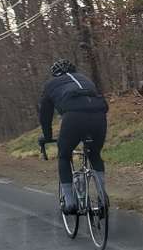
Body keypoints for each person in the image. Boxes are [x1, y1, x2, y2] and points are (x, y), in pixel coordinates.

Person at [37, 59, 108, 214]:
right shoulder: (85, 79)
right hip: (99, 114)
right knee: (94, 153)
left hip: (74, 117)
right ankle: (103, 195)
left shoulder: (50, 85)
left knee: (63, 155)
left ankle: (70, 203)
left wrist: (47, 136)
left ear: (54, 74)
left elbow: (45, 115)